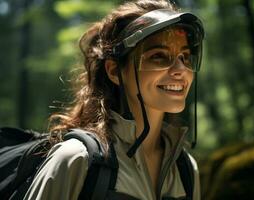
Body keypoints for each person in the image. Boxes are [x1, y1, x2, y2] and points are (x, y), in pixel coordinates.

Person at [24, 0, 204, 199]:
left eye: (185, 57)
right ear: (114, 71)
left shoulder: (186, 168)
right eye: (159, 56)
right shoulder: (77, 159)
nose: (181, 70)